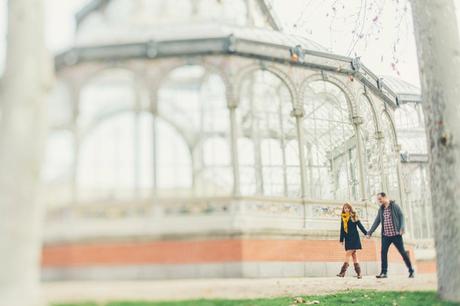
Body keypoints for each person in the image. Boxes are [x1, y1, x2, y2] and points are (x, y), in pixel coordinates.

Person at [366, 192, 415, 278]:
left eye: (380, 199)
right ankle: (384, 272)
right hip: (386, 236)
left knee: (403, 253)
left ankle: (411, 270)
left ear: (385, 197)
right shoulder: (381, 209)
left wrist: (402, 228)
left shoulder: (394, 206)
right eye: (378, 199)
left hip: (396, 235)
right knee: (383, 252)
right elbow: (376, 221)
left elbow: (401, 216)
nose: (379, 201)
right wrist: (369, 232)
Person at [337, 203, 368, 278]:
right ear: (343, 210)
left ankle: (342, 272)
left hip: (354, 238)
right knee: (354, 255)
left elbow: (360, 225)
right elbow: (342, 230)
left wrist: (366, 233)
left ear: (350, 208)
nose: (346, 209)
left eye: (348, 208)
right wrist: (341, 239)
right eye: (345, 208)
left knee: (348, 254)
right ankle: (359, 274)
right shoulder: (343, 217)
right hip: (347, 238)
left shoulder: (353, 216)